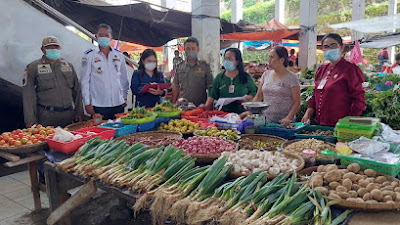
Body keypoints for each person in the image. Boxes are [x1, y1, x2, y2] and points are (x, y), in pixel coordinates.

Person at [301, 33, 366, 126]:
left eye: (333, 46)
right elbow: (315, 94)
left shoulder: (350, 69)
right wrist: (308, 113)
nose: (329, 49)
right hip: (321, 124)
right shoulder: (322, 70)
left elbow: (359, 99)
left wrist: (349, 122)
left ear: (342, 47)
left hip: (340, 125)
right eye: (326, 47)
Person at [22, 36, 83, 128]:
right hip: (46, 116)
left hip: (68, 115)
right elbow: (28, 95)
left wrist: (79, 112)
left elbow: (77, 90)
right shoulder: (33, 67)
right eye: (49, 47)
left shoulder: (68, 66)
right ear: (42, 49)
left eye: (55, 47)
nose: (53, 49)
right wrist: (30, 118)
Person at [80, 24, 129, 120]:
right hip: (98, 105)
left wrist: (124, 97)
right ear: (96, 36)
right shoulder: (89, 56)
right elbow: (84, 81)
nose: (104, 37)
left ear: (111, 37)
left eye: (107, 35)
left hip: (118, 104)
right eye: (101, 35)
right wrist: (87, 103)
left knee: (119, 132)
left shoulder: (118, 55)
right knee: (100, 132)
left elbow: (124, 78)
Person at [252, 46, 301, 126]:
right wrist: (251, 111)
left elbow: (297, 102)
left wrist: (289, 118)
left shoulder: (292, 78)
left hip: (283, 123)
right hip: (265, 120)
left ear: (281, 60)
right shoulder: (266, 74)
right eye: (269, 57)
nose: (269, 60)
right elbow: (258, 96)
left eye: (272, 57)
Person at [205, 48, 257, 114]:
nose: (226, 61)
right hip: (223, 115)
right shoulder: (219, 78)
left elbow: (255, 92)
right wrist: (206, 110)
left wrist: (247, 98)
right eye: (225, 59)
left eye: (229, 59)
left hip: (242, 114)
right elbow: (212, 96)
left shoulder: (246, 77)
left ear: (237, 61)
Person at [172, 37, 213, 106]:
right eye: (188, 49)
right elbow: (175, 86)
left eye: (193, 49)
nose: (190, 51)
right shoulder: (180, 67)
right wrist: (172, 105)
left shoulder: (204, 66)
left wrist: (209, 105)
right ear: (184, 50)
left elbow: (210, 87)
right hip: (183, 106)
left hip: (200, 107)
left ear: (198, 50)